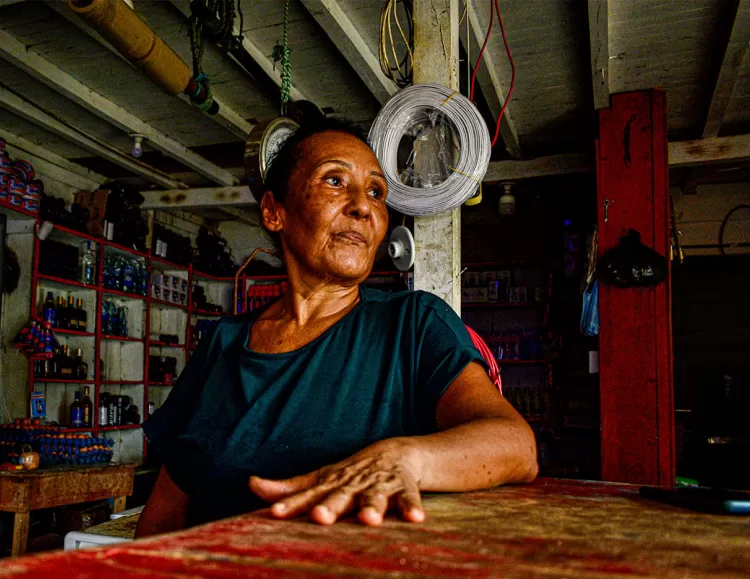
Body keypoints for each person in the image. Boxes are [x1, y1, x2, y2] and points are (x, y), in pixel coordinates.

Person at [137, 118, 537, 537]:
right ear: (276, 211)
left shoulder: (413, 325)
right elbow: (167, 509)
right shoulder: (222, 344)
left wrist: (406, 459)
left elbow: (515, 445)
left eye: (376, 192)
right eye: (334, 180)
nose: (363, 206)